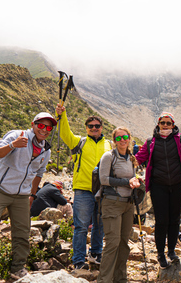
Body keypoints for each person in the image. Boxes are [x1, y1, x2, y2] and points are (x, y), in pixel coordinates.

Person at [0, 112, 56, 283]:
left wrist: (32, 194)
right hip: (0, 189)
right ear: (33, 124)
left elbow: (39, 173)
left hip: (22, 195)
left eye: (48, 127)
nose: (44, 130)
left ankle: (17, 268)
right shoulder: (16, 135)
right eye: (41, 125)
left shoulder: (46, 150)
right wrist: (13, 145)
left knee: (22, 231)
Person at [135, 111, 181, 268]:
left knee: (174, 220)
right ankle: (161, 254)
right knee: (161, 221)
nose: (166, 125)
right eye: (163, 123)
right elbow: (137, 160)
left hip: (178, 186)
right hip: (158, 187)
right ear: (158, 124)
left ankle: (171, 251)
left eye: (169, 123)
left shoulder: (180, 139)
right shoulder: (150, 142)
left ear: (173, 125)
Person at [56, 104, 112, 269]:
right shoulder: (78, 142)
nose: (94, 128)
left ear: (102, 127)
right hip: (83, 190)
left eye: (97, 126)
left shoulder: (108, 144)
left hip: (103, 191)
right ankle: (79, 261)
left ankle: (95, 254)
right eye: (90, 126)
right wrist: (61, 115)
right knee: (81, 227)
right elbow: (64, 132)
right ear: (86, 128)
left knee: (99, 225)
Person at [97, 127, 143, 283]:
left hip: (128, 205)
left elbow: (132, 177)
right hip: (112, 203)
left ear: (129, 138)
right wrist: (127, 182)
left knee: (124, 243)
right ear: (114, 140)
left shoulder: (131, 158)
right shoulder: (108, 157)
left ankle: (120, 278)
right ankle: (104, 280)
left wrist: (137, 182)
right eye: (118, 138)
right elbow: (103, 179)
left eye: (125, 137)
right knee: (112, 243)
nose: (122, 140)